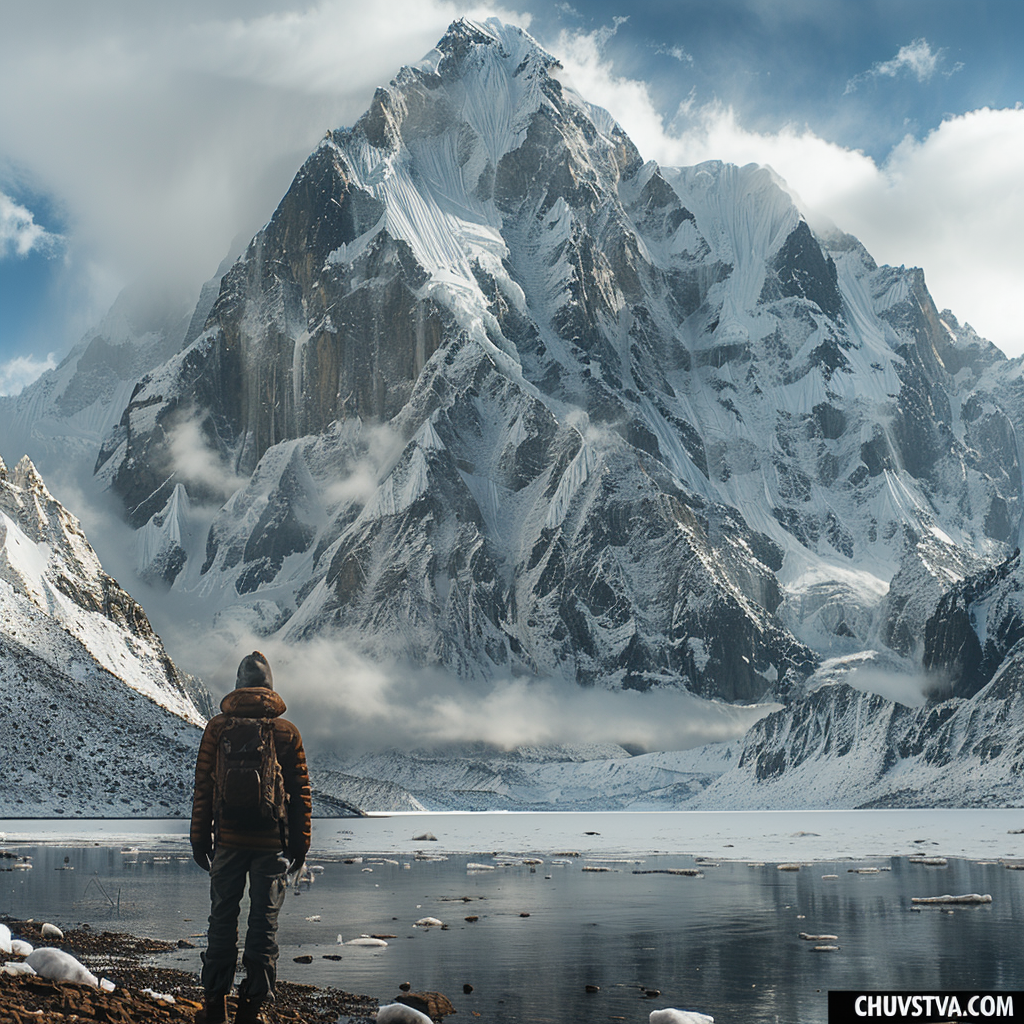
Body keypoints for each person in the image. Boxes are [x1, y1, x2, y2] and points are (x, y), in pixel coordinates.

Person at [190, 651, 312, 1024]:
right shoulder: (286, 732)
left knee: (222, 921)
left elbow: (203, 789)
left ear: (239, 685)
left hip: (226, 843)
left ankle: (214, 1006)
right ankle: (250, 1009)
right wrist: (300, 845)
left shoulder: (217, 728)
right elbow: (300, 792)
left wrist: (200, 840)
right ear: (270, 686)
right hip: (270, 846)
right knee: (264, 927)